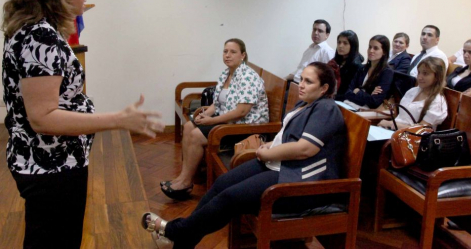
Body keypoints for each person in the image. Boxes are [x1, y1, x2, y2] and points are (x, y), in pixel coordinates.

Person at [1, 0, 165, 249]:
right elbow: (43, 118)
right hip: (51, 168)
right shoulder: (40, 36)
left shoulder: (33, 29)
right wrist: (119, 119)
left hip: (48, 163)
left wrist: (71, 9)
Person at [142, 62, 347, 248]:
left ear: (324, 88)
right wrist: (269, 145)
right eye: (301, 79)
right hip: (281, 164)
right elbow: (288, 137)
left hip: (299, 180)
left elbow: (305, 149)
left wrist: (269, 154)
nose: (301, 84)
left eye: (308, 81)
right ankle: (184, 240)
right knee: (222, 183)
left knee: (230, 198)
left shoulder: (326, 109)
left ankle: (175, 231)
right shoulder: (306, 103)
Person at [160, 38, 269, 200]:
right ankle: (186, 177)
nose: (228, 55)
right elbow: (217, 103)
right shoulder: (227, 74)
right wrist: (207, 114)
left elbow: (242, 111)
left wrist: (213, 121)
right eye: (225, 51)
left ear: (243, 55)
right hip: (227, 122)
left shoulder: (248, 77)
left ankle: (185, 182)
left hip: (243, 128)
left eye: (233, 52)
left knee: (197, 136)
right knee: (189, 127)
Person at [378, 57, 447, 130]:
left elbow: (420, 130)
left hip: (411, 138)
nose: (419, 77)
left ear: (437, 77)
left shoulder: (437, 102)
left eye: (425, 73)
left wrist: (391, 124)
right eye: (419, 72)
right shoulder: (413, 91)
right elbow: (401, 118)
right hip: (394, 131)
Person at [344, 35, 393, 110]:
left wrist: (357, 91)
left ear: (384, 52)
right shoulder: (362, 68)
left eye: (375, 48)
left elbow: (374, 101)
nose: (371, 51)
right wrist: (367, 95)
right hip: (350, 105)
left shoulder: (387, 72)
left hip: (367, 111)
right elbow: (347, 93)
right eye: (370, 47)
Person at [330, 30, 364, 101]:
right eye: (339, 42)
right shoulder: (334, 62)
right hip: (332, 98)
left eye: (345, 43)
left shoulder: (356, 66)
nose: (340, 46)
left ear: (353, 46)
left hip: (344, 101)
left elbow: (350, 91)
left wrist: (333, 98)